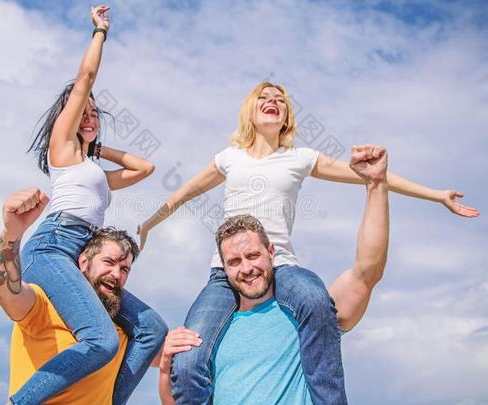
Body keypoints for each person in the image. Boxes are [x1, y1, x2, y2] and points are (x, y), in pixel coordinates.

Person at [138, 81, 479, 404]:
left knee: (317, 302)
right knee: (187, 358)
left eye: (280, 99)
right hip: (223, 270)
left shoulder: (300, 157)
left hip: (280, 264)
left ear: (286, 116)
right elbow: (185, 193)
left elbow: (372, 176)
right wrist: (148, 225)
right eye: (264, 97)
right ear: (249, 110)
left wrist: (436, 195)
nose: (273, 101)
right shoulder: (230, 156)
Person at [158, 144, 391, 404]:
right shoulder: (212, 333)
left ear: (271, 252)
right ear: (223, 267)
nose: (246, 268)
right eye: (234, 261)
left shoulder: (308, 314)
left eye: (253, 256)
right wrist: (167, 367)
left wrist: (376, 185)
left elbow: (367, 272)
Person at [16, 6, 167, 405]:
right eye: (83, 110)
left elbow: (144, 167)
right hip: (50, 248)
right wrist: (100, 33)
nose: (89, 116)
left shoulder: (93, 172)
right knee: (101, 340)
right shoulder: (61, 150)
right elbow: (85, 78)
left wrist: (98, 147)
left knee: (151, 328)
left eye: (94, 114)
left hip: (81, 251)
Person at [0, 188, 162, 404]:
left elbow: (160, 354)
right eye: (108, 262)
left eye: (124, 269)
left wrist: (179, 343)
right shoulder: (45, 306)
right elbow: (3, 291)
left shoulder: (125, 331)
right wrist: (11, 235)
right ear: (83, 262)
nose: (116, 274)